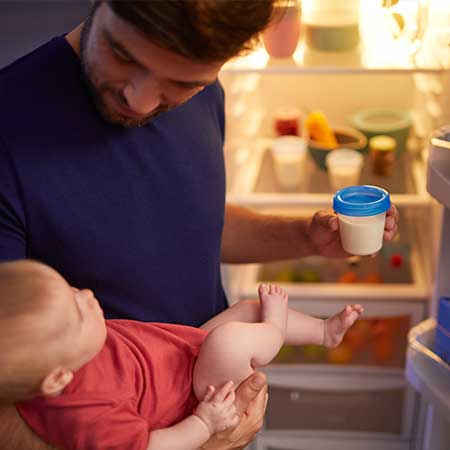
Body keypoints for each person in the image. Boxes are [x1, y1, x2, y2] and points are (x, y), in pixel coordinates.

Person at [0, 1, 399, 449]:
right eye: (124, 55)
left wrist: (305, 237)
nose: (141, 99)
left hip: (211, 400)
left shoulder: (207, 93)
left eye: (178, 85)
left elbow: (195, 218)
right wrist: (201, 441)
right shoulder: (8, 128)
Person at [1, 260, 363, 450]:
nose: (87, 296)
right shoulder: (85, 414)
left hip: (182, 356)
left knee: (243, 310)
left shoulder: (56, 359)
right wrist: (204, 424)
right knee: (229, 343)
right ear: (58, 378)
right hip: (196, 397)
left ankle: (323, 332)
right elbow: (150, 446)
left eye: (72, 289)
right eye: (76, 312)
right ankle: (275, 329)